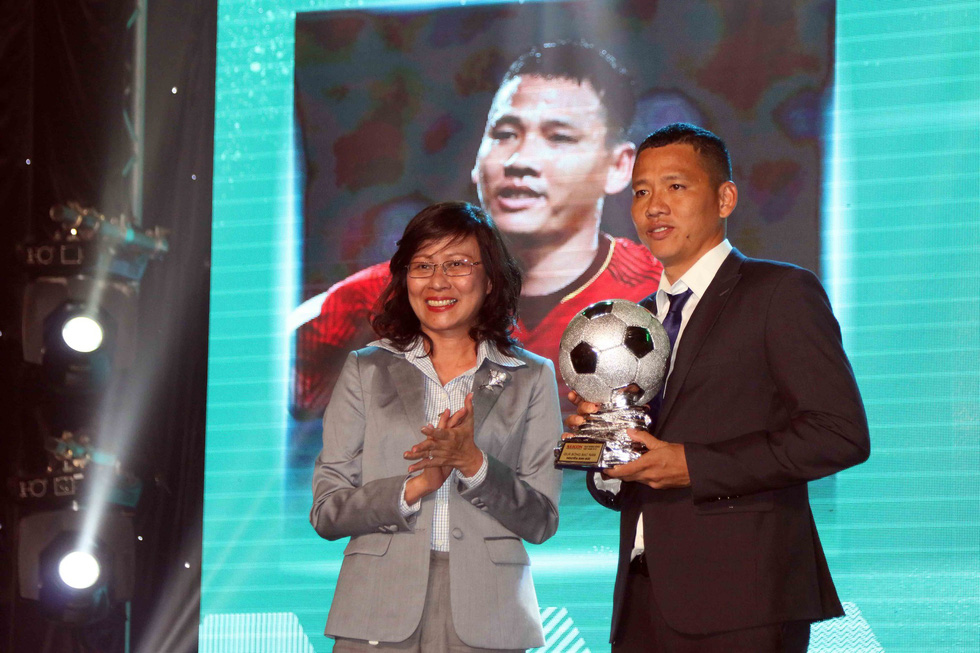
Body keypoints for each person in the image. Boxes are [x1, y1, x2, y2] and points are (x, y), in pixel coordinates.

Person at [568, 123, 870, 651]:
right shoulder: (633, 324)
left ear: (725, 197)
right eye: (641, 192)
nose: (654, 205)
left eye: (675, 186)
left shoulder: (780, 292)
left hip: (745, 598)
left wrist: (692, 465)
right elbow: (626, 480)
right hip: (643, 601)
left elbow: (840, 433)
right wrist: (602, 448)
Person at [292, 40, 662, 420]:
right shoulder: (378, 296)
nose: (520, 160)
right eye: (504, 134)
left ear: (619, 166)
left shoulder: (662, 295)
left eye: (559, 137)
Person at [310, 201, 563, 651]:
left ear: (490, 280)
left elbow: (542, 519)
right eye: (422, 265)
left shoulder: (531, 376)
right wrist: (411, 488)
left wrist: (474, 464)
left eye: (458, 264)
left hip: (490, 614)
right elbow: (327, 510)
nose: (438, 281)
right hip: (376, 610)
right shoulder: (366, 369)